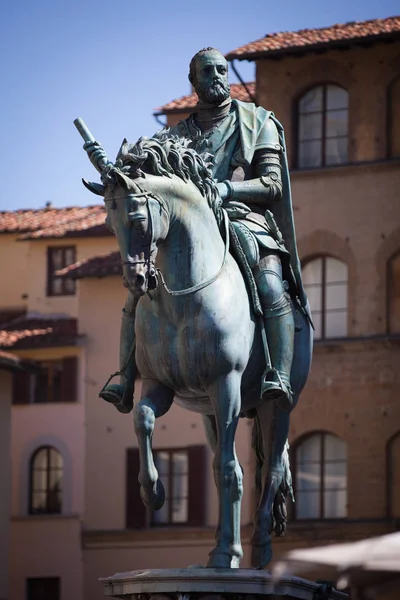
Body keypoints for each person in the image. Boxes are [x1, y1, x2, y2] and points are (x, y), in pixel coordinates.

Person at [93, 47, 308, 413]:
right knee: (136, 292)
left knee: (271, 284)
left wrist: (226, 189)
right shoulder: (174, 136)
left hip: (244, 220)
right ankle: (126, 377)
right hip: (188, 231)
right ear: (193, 81)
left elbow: (272, 184)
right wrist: (113, 169)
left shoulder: (257, 122)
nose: (218, 77)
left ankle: (279, 374)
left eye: (222, 70)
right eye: (208, 72)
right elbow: (141, 178)